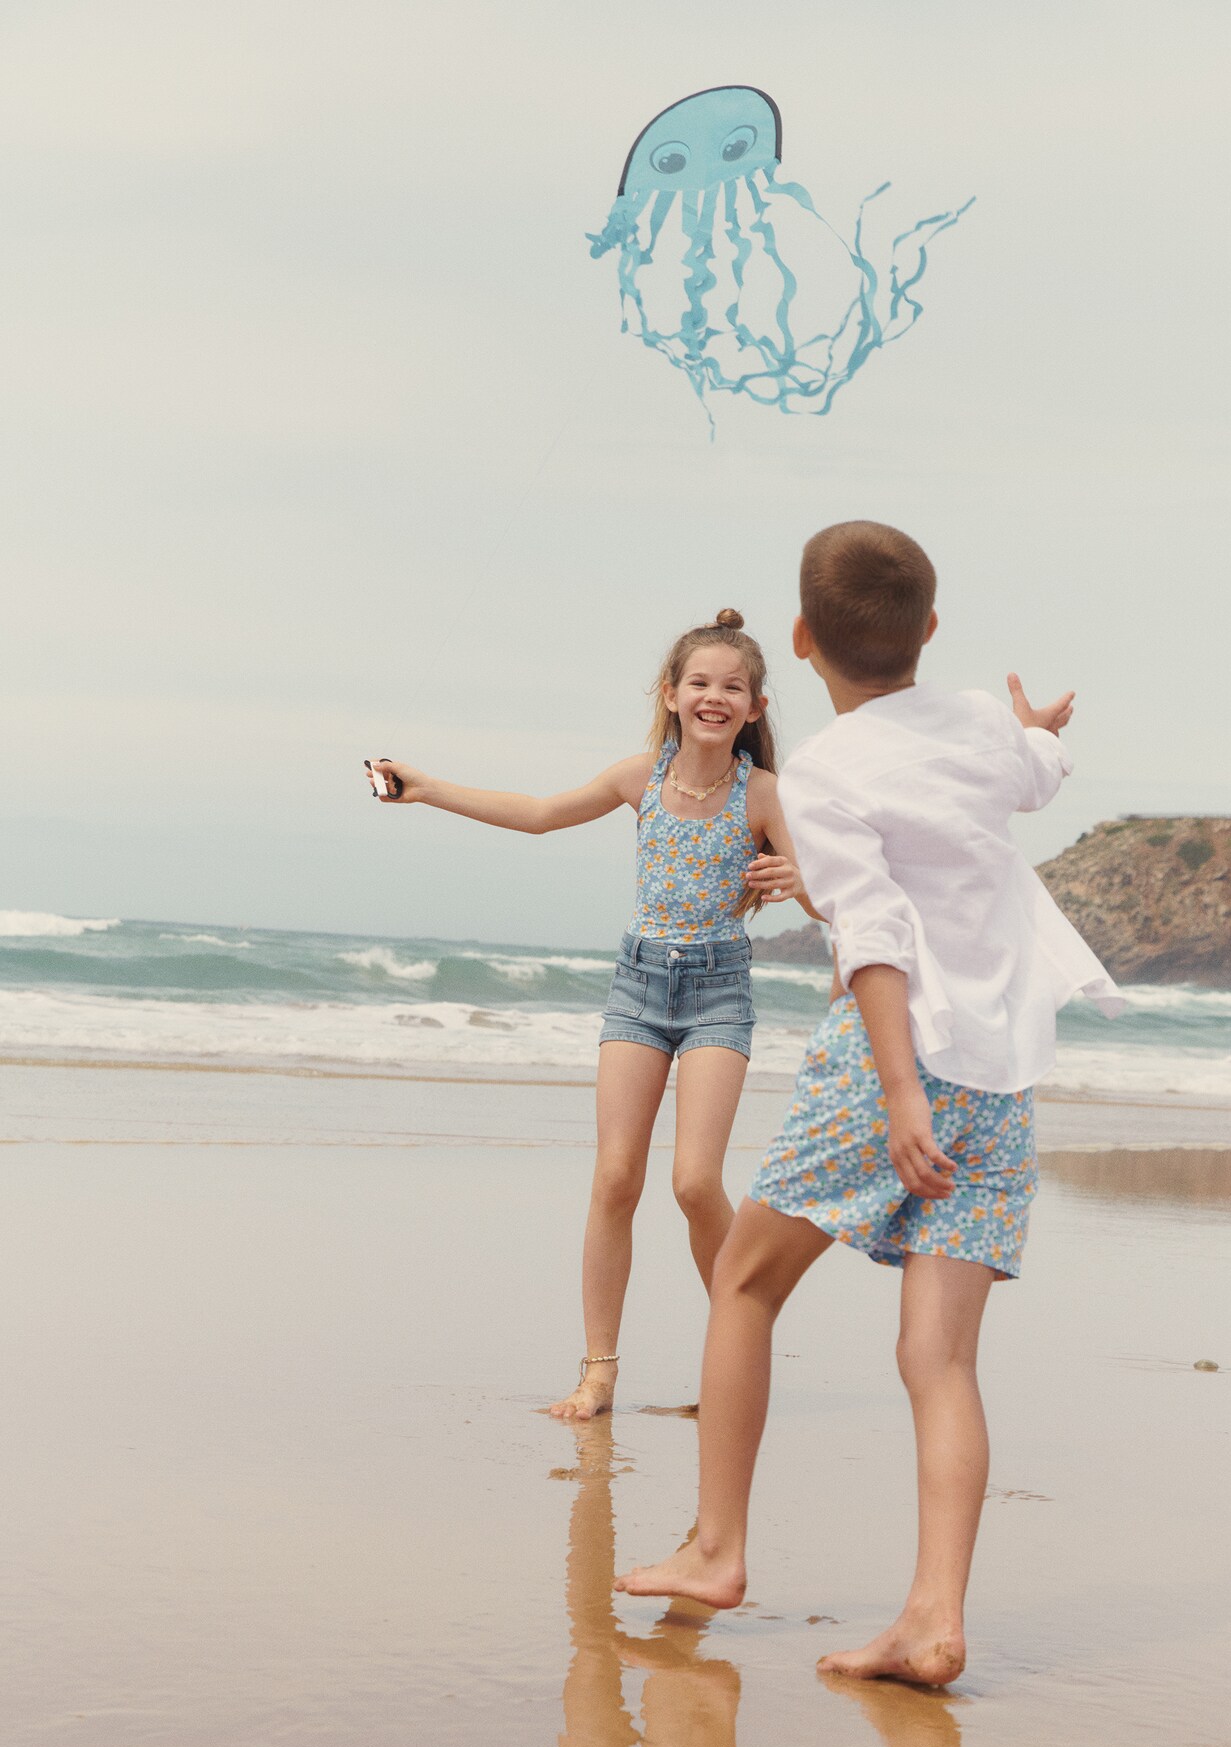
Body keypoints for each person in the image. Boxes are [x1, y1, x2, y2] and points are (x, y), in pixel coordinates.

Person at [617, 524, 1121, 1684]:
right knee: (940, 1361)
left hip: (895, 1062)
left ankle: (716, 1547)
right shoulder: (985, 733)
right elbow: (1038, 772)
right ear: (929, 633)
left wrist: (897, 1092)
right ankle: (933, 1619)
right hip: (1001, 1075)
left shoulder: (832, 774)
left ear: (798, 642)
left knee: (742, 1280)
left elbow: (878, 937)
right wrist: (1038, 731)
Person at [366, 609, 819, 1420]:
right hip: (638, 989)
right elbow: (539, 813)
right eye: (700, 683)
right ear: (671, 694)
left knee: (693, 1182)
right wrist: (428, 787)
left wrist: (801, 885)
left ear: (755, 707)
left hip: (719, 991)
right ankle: (599, 1373)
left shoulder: (766, 794)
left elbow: (826, 895)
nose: (715, 697)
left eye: (734, 687)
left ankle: (736, 1350)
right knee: (615, 1179)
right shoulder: (638, 777)